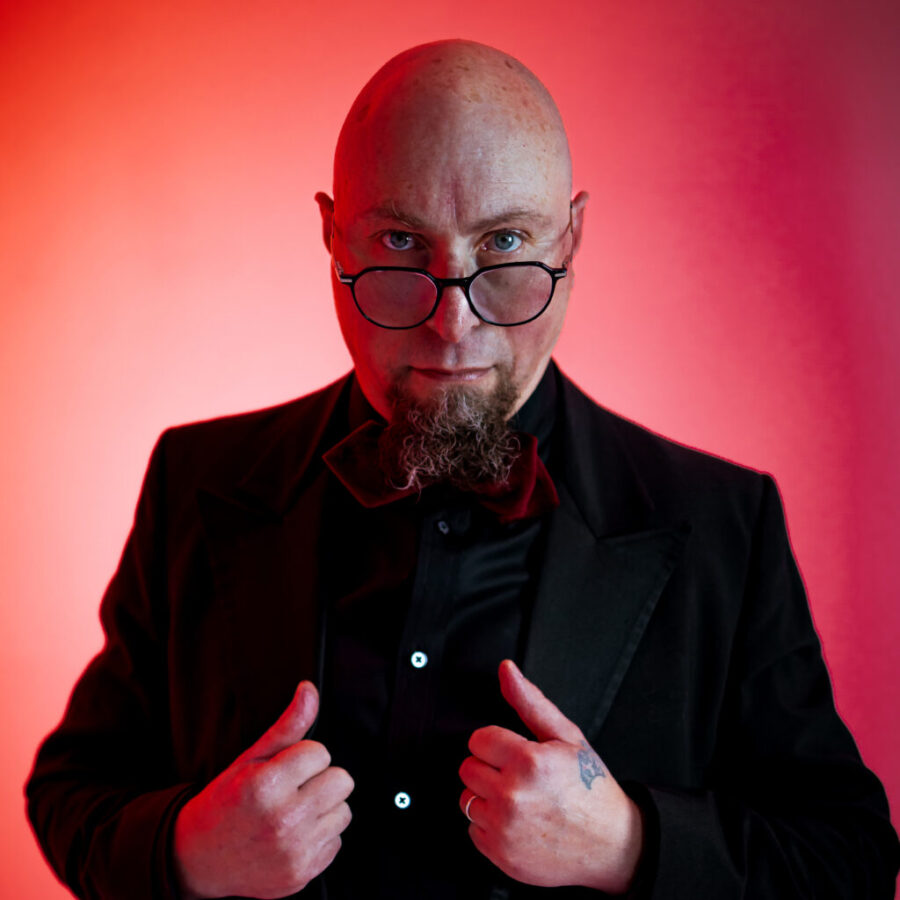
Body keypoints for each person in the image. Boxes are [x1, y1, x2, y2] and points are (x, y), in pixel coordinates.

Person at [26, 39, 898, 900]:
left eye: (506, 242)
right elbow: (71, 790)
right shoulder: (194, 479)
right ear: (333, 236)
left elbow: (848, 860)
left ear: (573, 238)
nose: (454, 324)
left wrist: (630, 845)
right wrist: (186, 853)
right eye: (402, 241)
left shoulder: (725, 525)